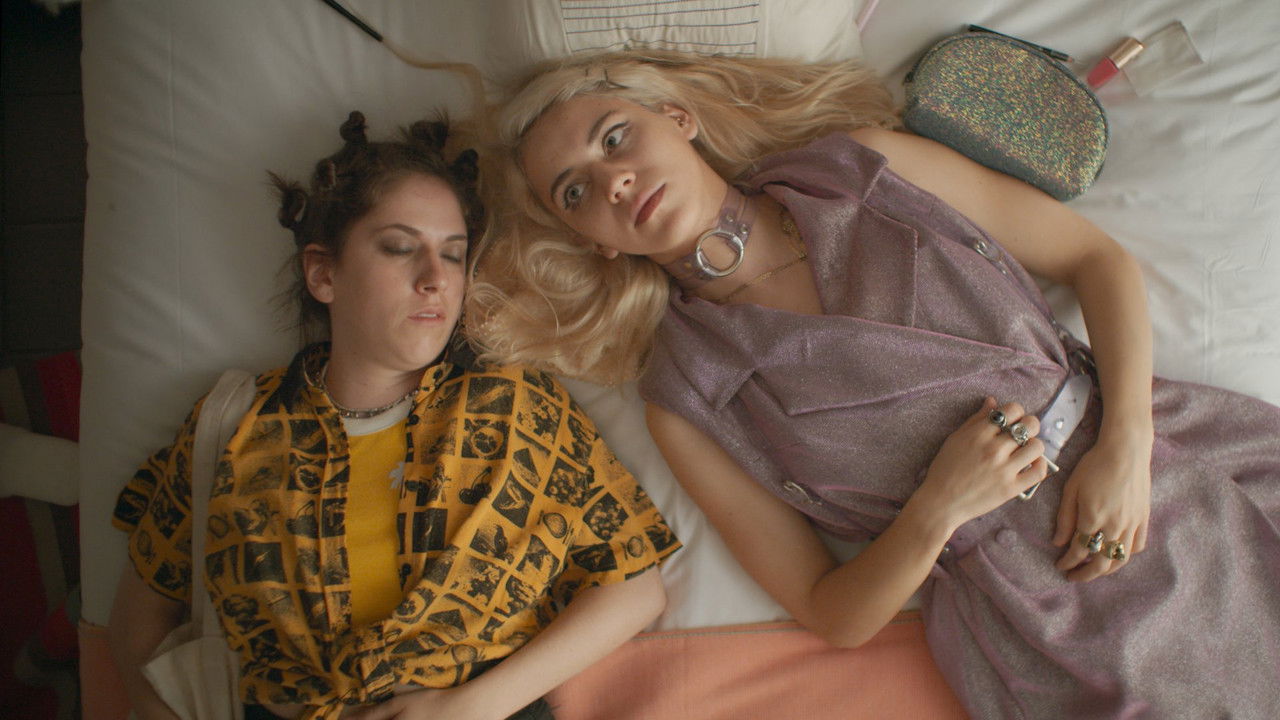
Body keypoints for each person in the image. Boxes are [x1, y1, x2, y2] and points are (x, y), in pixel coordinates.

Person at [467, 50, 1280, 718]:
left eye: (615, 138)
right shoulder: (687, 399)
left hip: (1161, 460)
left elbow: (1094, 258)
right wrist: (938, 508)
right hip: (1049, 614)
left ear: (678, 120)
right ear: (594, 241)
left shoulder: (868, 168)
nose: (612, 181)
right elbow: (833, 613)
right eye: (575, 191)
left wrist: (1126, 447)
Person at [107, 112, 680, 720]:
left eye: (453, 255)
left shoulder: (517, 413)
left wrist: (470, 707)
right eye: (401, 248)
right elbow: (135, 627)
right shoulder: (235, 427)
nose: (435, 279)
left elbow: (633, 586)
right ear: (323, 273)